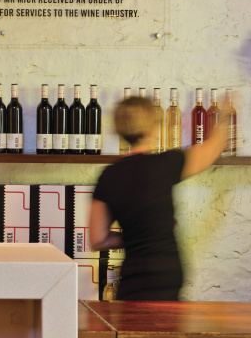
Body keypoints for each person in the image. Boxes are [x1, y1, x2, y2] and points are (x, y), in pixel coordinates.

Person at [89, 96, 226, 301]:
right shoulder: (166, 163)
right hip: (167, 272)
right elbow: (213, 147)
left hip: (133, 276)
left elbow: (98, 239)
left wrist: (134, 236)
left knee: (132, 322)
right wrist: (223, 115)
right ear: (150, 130)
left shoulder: (109, 176)